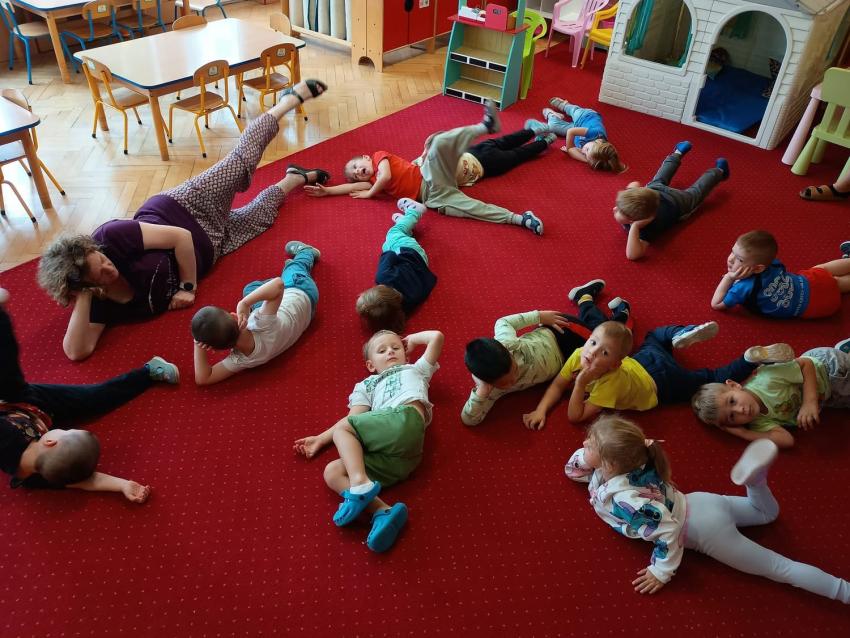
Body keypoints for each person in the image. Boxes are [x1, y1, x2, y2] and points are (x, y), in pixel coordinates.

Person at [37, 80, 330, 361]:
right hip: (210, 249)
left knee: (241, 161)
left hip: (187, 207)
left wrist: (188, 287)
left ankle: (288, 100)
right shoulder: (98, 300)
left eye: (100, 259)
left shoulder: (109, 236)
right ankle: (295, 178)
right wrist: (84, 296)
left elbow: (180, 237)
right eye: (98, 274)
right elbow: (77, 351)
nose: (107, 267)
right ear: (87, 287)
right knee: (259, 218)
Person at [566, 416, 850, 603]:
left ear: (610, 464)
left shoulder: (626, 501)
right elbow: (573, 470)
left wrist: (662, 570)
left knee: (781, 568)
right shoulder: (637, 453)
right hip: (701, 501)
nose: (583, 444)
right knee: (766, 514)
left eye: (590, 444)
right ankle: (755, 482)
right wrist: (591, 457)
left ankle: (845, 592)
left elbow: (669, 529)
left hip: (703, 531)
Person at [0, 289, 177, 500]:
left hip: (17, 401)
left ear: (51, 442)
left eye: (67, 430)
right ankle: (149, 372)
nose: (66, 427)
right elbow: (83, 479)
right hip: (34, 410)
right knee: (94, 397)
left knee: (7, 367)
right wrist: (122, 485)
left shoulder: (8, 443)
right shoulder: (51, 470)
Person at [293, 329, 444, 553]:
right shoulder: (367, 385)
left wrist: (410, 340)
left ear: (405, 354)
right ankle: (383, 512)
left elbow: (436, 337)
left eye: (396, 347)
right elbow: (354, 418)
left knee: (344, 431)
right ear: (371, 365)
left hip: (406, 418)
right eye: (382, 351)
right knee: (332, 472)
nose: (390, 351)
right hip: (403, 457)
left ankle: (360, 483)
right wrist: (320, 439)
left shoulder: (415, 369)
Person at [303, 101, 545, 235]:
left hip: (428, 175)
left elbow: (385, 177)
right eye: (355, 174)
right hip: (432, 196)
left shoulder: (378, 158)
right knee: (470, 208)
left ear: (366, 157)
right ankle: (519, 219)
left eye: (357, 166)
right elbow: (350, 188)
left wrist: (369, 193)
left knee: (438, 143)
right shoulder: (371, 181)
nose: (358, 172)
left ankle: (485, 126)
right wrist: (328, 191)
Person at [530, 316, 793, 425]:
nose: (592, 352)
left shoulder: (610, 384)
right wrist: (541, 409)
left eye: (605, 353)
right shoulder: (579, 354)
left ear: (615, 364)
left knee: (710, 378)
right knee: (655, 336)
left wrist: (580, 383)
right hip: (643, 360)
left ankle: (748, 359)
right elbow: (557, 384)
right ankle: (680, 333)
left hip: (662, 383)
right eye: (592, 343)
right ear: (586, 341)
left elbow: (576, 416)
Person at [462, 279, 632, 428]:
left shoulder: (507, 343)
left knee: (606, 339)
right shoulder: (489, 390)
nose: (514, 379)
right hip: (566, 359)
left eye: (514, 369)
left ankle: (587, 301)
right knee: (603, 340)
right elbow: (469, 419)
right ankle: (599, 308)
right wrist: (481, 392)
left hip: (560, 333)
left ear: (507, 351)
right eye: (506, 383)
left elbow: (502, 322)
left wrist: (539, 316)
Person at [190, 241, 320, 385]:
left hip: (306, 316)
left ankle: (269, 288)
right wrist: (244, 303)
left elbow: (203, 378)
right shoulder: (260, 322)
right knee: (293, 270)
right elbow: (278, 284)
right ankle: (306, 252)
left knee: (250, 288)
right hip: (301, 290)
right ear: (234, 316)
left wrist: (198, 343)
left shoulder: (241, 360)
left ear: (215, 349)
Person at [691, 340, 850, 448]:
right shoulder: (758, 421)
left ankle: (843, 353)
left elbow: (806, 364)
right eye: (731, 417)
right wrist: (744, 433)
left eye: (732, 401)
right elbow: (786, 440)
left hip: (830, 369)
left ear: (734, 385)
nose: (740, 410)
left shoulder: (767, 380)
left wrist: (809, 402)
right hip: (830, 397)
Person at [613, 141, 728, 260]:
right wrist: (632, 192)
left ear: (633, 220)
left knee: (696, 193)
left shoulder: (646, 229)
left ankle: (719, 171)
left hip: (677, 203)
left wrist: (635, 227)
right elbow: (635, 183)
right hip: (654, 192)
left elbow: (632, 255)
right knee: (661, 175)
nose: (614, 209)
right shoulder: (640, 203)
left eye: (619, 210)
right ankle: (678, 153)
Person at [711, 230, 850, 318]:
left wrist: (729, 278)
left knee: (835, 283)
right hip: (806, 284)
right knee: (823, 270)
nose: (731, 259)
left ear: (758, 268)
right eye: (732, 252)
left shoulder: (742, 288)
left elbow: (716, 304)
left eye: (739, 259)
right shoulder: (773, 264)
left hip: (818, 306)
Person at [356, 199, 437, 333]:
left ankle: (405, 225)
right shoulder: (384, 277)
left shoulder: (404, 306)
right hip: (409, 251)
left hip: (422, 262)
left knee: (391, 241)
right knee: (392, 235)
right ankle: (414, 212)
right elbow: (389, 255)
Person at [412, 123, 557, 187]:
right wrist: (424, 155)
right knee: (509, 142)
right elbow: (419, 160)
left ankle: (545, 140)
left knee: (518, 154)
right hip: (479, 152)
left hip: (487, 163)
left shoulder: (440, 175)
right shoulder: (430, 161)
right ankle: (537, 132)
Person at [529, 97, 625, 172]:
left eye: (585, 154)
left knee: (553, 127)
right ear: (598, 142)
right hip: (585, 116)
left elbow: (580, 152)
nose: (583, 151)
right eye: (587, 150)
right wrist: (570, 148)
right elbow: (571, 132)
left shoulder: (595, 152)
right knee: (575, 112)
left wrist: (584, 157)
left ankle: (552, 115)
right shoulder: (596, 133)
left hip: (577, 128)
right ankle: (565, 105)